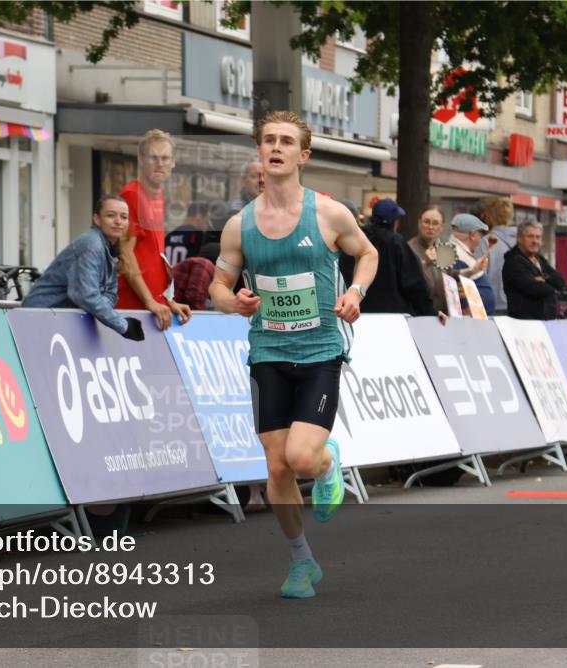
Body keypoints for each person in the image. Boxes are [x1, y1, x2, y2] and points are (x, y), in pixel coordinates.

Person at [209, 111, 378, 599]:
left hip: (321, 349)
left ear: (303, 155)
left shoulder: (328, 214)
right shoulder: (240, 226)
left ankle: (327, 464)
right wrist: (234, 302)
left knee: (302, 458)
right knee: (277, 466)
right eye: (268, 141)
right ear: (260, 152)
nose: (276, 147)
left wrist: (356, 293)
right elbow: (220, 287)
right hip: (268, 352)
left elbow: (367, 255)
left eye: (286, 141)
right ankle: (302, 561)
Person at [22, 195, 145, 341]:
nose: (118, 221)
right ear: (97, 219)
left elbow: (110, 293)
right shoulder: (92, 245)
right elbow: (87, 296)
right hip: (38, 319)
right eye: (111, 215)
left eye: (124, 217)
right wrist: (124, 326)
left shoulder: (110, 247)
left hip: (60, 321)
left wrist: (99, 308)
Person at [115, 129, 191, 330]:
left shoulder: (158, 196)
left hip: (154, 308)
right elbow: (126, 254)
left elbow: (155, 256)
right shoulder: (132, 194)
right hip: (133, 307)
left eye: (165, 158)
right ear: (141, 159)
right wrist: (150, 301)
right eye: (154, 157)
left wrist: (167, 300)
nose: (160, 163)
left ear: (173, 162)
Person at [340, 199, 435, 316]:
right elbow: (415, 284)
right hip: (393, 318)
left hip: (356, 314)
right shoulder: (396, 242)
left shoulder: (357, 238)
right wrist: (430, 313)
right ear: (394, 222)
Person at [502, 221, 565, 320]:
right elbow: (536, 289)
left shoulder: (540, 259)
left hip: (546, 323)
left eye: (538, 237)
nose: (535, 241)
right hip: (525, 324)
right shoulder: (513, 262)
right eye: (530, 236)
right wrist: (553, 287)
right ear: (519, 238)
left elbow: (561, 281)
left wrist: (544, 278)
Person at [447, 213, 496, 314]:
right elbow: (455, 287)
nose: (480, 239)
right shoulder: (455, 254)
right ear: (472, 235)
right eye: (480, 235)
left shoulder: (455, 251)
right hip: (470, 319)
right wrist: (466, 309)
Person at [476, 196, 517, 313]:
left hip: (495, 306)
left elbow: (479, 275)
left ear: (490, 216)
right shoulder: (521, 240)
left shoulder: (486, 242)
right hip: (519, 304)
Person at [407, 205, 448, 313]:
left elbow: (450, 275)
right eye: (426, 222)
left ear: (442, 227)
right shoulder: (408, 249)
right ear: (419, 223)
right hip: (418, 314)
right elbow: (408, 281)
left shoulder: (445, 249)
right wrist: (425, 263)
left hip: (443, 315)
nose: (430, 227)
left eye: (435, 223)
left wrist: (471, 271)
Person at [212, 159, 265, 229]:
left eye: (266, 176)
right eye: (254, 176)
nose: (262, 180)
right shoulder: (226, 212)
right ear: (243, 181)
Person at [164, 201, 209, 265]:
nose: (206, 226)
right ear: (198, 217)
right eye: (206, 222)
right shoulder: (196, 235)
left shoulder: (170, 235)